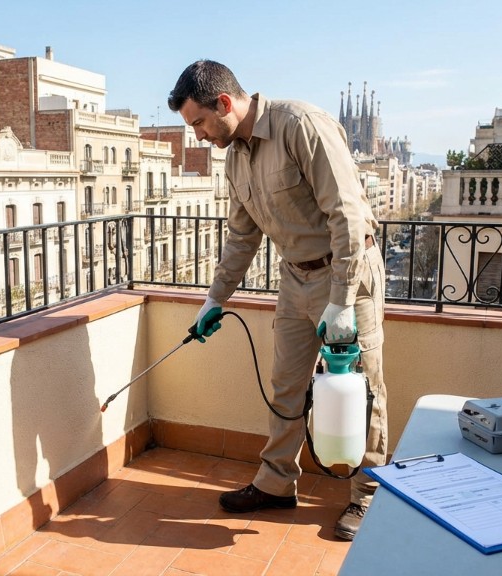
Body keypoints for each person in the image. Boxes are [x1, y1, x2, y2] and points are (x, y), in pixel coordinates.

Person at [167, 60, 387, 541]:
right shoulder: (235, 157)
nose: (199, 136)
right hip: (294, 278)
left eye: (199, 123)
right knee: (286, 385)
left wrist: (343, 299)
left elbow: (346, 214)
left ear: (224, 103)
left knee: (362, 391)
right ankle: (276, 484)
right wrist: (214, 300)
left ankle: (367, 498)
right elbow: (242, 238)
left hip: (347, 275)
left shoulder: (299, 126)